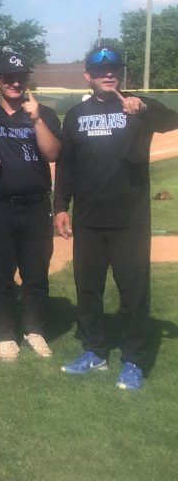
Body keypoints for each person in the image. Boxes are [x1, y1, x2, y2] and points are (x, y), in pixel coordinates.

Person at [55, 47, 178, 390]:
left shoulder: (137, 107)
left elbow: (172, 120)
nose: (109, 74)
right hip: (89, 219)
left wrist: (145, 107)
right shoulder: (77, 115)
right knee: (89, 289)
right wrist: (61, 206)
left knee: (133, 292)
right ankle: (94, 351)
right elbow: (67, 166)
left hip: (130, 220)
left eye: (114, 69)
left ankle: (134, 360)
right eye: (101, 70)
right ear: (88, 76)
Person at [0, 53, 61, 360]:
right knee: (1, 274)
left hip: (36, 207)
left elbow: (52, 153)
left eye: (21, 77)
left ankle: (34, 330)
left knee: (36, 274)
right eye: (9, 77)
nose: (16, 82)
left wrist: (36, 119)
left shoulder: (44, 114)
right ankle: (4, 334)